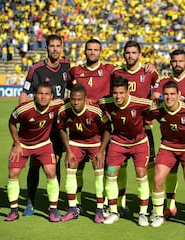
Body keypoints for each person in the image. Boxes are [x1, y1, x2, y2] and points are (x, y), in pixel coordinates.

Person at [19, 34, 70, 217]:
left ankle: (53, 206)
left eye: (58, 46)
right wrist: (24, 115)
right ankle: (30, 202)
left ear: (62, 47)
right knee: (34, 165)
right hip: (40, 126)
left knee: (54, 164)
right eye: (52, 46)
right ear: (46, 48)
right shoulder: (36, 69)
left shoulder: (67, 66)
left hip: (58, 125)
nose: (55, 49)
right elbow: (25, 92)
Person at [151, 49, 185, 222]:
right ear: (170, 62)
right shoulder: (164, 81)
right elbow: (155, 97)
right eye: (174, 61)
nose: (177, 64)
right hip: (169, 135)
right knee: (169, 172)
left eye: (181, 61)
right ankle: (169, 206)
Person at [67, 38, 115, 211]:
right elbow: (69, 91)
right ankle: (77, 203)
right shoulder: (75, 71)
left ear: (100, 52)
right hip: (80, 127)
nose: (92, 52)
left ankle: (108, 204)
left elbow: (129, 72)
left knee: (104, 166)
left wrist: (148, 65)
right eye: (89, 49)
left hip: (103, 126)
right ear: (85, 51)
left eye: (96, 49)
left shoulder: (110, 70)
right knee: (76, 168)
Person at [111, 40, 159, 214]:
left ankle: (153, 200)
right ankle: (120, 202)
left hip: (144, 128)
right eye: (127, 53)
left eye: (133, 53)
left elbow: (158, 86)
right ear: (124, 54)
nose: (130, 56)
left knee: (147, 167)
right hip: (121, 131)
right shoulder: (116, 72)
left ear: (139, 54)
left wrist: (155, 97)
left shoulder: (148, 72)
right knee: (118, 167)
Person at [5, 82, 63, 222]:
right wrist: (17, 144)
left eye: (47, 94)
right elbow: (11, 122)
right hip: (23, 144)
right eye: (40, 93)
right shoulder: (23, 109)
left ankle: (53, 210)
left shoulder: (58, 104)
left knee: (51, 172)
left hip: (43, 144)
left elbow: (74, 102)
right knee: (13, 173)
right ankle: (13, 211)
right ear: (35, 95)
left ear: (51, 96)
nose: (43, 97)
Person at [148, 81, 185, 230]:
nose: (169, 97)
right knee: (158, 179)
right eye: (166, 94)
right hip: (167, 147)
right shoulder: (157, 109)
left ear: (179, 95)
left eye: (172, 94)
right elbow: (141, 110)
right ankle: (158, 214)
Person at [98, 76, 151, 226]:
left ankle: (143, 213)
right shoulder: (106, 103)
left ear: (128, 92)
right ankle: (114, 211)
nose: (118, 96)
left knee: (141, 174)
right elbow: (95, 106)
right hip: (118, 143)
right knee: (111, 173)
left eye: (121, 92)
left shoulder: (140, 103)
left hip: (139, 143)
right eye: (115, 93)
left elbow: (155, 107)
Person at [57, 84, 111, 223]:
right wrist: (68, 150)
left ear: (85, 99)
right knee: (70, 168)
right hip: (75, 142)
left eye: (79, 99)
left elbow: (107, 129)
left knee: (99, 173)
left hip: (95, 143)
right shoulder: (64, 110)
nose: (75, 102)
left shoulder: (95, 110)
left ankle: (99, 209)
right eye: (73, 99)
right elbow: (61, 129)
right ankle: (72, 208)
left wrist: (101, 151)